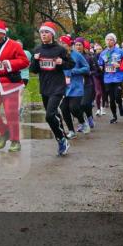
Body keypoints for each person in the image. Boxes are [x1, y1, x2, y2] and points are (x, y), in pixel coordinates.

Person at [0, 20, 29, 153]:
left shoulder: (14, 45)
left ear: (3, 32)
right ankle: (4, 132)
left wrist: (9, 63)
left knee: (11, 114)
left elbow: (25, 62)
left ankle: (15, 140)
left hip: (11, 84)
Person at [30, 22, 74, 156]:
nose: (43, 35)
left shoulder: (60, 50)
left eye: (46, 32)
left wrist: (62, 63)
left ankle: (61, 139)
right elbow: (33, 70)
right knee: (54, 114)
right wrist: (36, 61)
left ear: (52, 35)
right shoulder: (37, 50)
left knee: (49, 115)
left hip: (58, 87)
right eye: (42, 32)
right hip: (45, 87)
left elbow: (71, 64)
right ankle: (62, 138)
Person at [61, 35, 89, 134]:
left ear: (69, 45)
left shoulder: (77, 55)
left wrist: (74, 71)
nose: (62, 45)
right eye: (60, 43)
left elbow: (86, 68)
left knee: (74, 107)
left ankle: (82, 121)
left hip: (76, 86)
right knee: (63, 108)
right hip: (64, 87)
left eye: (64, 43)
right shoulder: (59, 56)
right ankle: (71, 131)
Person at [99, 33, 123, 123]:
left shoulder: (120, 51)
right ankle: (114, 116)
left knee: (118, 97)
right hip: (108, 78)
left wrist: (120, 65)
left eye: (111, 40)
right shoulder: (103, 53)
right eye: (107, 39)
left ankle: (121, 106)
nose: (109, 41)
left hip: (118, 77)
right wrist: (100, 67)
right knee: (111, 99)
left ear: (114, 41)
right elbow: (100, 63)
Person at [74, 38, 96, 129]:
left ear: (83, 46)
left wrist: (89, 73)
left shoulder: (88, 57)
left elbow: (95, 70)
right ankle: (84, 121)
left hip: (87, 83)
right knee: (77, 105)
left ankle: (88, 119)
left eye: (80, 45)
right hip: (76, 84)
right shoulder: (72, 57)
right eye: (77, 45)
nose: (78, 47)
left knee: (84, 103)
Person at [90, 41, 105, 116]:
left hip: (104, 76)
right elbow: (91, 68)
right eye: (97, 49)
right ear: (95, 50)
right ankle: (98, 109)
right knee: (98, 93)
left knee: (104, 92)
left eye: (100, 49)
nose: (99, 50)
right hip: (96, 76)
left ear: (102, 50)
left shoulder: (105, 56)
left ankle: (103, 108)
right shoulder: (93, 57)